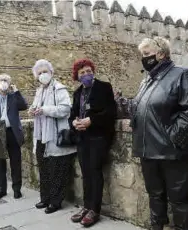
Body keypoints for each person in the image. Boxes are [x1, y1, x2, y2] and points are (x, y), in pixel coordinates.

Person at [131, 37, 188, 230]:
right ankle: (157, 226)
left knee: (179, 199)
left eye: (147, 54)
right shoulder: (146, 81)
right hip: (147, 151)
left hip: (172, 152)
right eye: (143, 55)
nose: (144, 58)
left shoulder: (183, 75)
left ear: (161, 54)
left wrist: (174, 138)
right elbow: (142, 108)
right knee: (155, 195)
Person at [68, 59, 117, 227]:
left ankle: (94, 210)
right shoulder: (77, 93)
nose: (86, 74)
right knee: (85, 172)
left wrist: (91, 120)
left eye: (88, 71)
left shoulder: (104, 87)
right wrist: (74, 123)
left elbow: (111, 112)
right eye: (82, 73)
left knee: (95, 172)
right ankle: (86, 206)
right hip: (82, 138)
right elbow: (72, 114)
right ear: (77, 76)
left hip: (98, 137)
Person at [28, 59, 76, 214]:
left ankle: (56, 202)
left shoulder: (59, 88)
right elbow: (37, 106)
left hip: (55, 136)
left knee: (57, 171)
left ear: (51, 72)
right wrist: (33, 110)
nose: (43, 75)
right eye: (39, 73)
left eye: (45, 72)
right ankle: (45, 198)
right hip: (41, 136)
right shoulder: (39, 91)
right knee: (44, 170)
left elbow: (65, 110)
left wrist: (44, 110)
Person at [0, 74, 28, 200]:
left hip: (12, 133)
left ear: (10, 83)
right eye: (2, 80)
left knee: (16, 162)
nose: (3, 83)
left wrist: (17, 91)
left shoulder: (14, 96)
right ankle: (1, 190)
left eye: (6, 81)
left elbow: (24, 106)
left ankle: (17, 189)